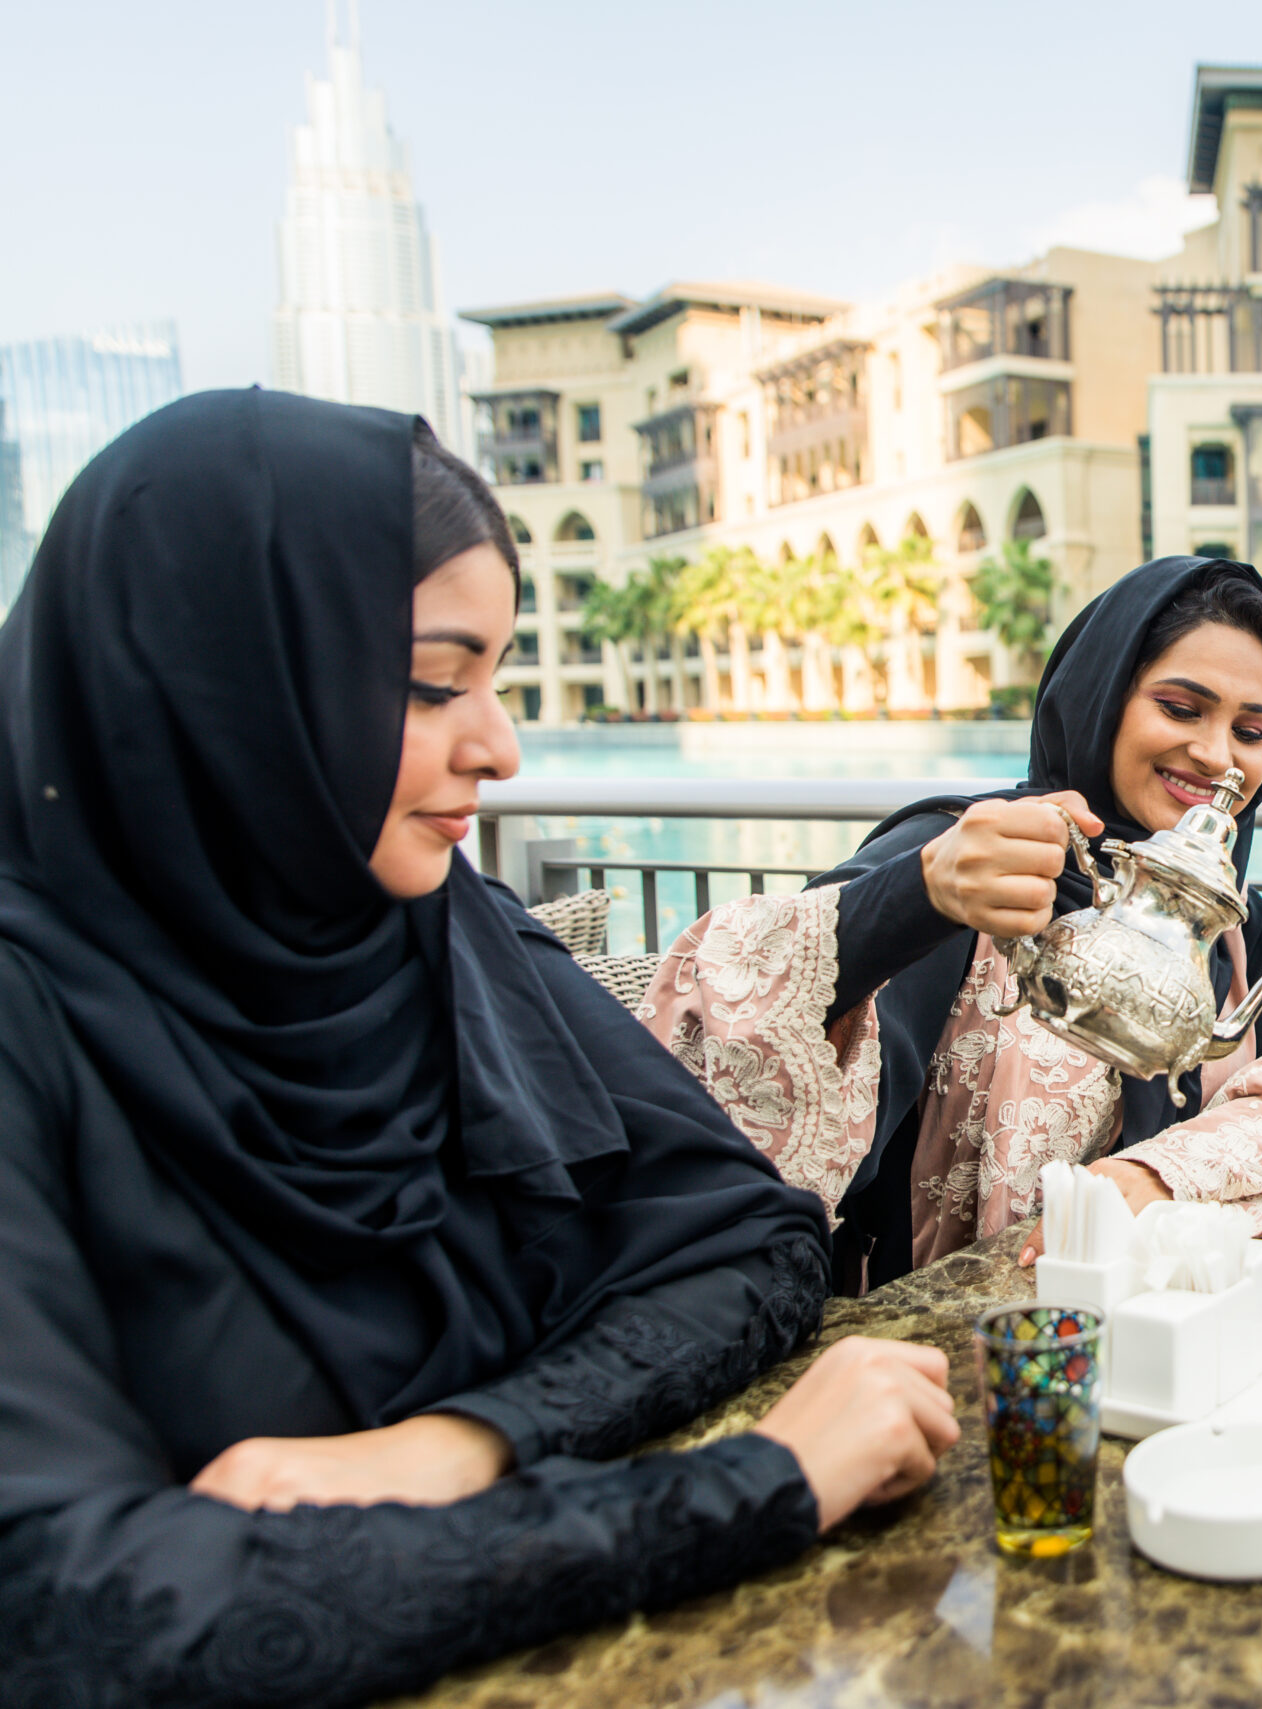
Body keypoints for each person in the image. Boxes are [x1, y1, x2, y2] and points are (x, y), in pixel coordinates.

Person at [0, 391, 959, 1709]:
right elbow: (71, 1604)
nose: (499, 747)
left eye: (496, 679)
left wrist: (453, 1446)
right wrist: (749, 1488)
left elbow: (749, 1237)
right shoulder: (28, 1022)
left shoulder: (440, 937)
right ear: (226, 681)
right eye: (433, 683)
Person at [639, 555, 1262, 1292]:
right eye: (1180, 708)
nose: (1216, 756)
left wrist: (1158, 1173)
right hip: (950, 1355)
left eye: (1250, 730)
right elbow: (724, 1031)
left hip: (1165, 1345)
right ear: (1102, 697)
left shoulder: (1216, 917)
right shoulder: (981, 868)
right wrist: (919, 895)